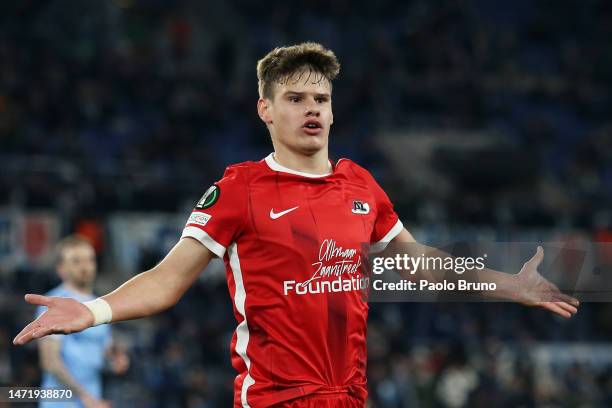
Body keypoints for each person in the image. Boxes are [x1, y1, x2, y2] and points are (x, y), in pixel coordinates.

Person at [13, 43, 578, 408]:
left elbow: (420, 262)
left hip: (351, 396)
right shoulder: (238, 189)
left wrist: (511, 286)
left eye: (321, 98)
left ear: (332, 111)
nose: (312, 108)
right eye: (295, 97)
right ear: (266, 109)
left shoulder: (360, 184)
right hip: (275, 399)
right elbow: (168, 279)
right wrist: (91, 310)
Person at [36, 235, 129, 408]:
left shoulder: (100, 304)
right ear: (61, 269)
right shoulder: (52, 304)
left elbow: (103, 351)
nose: (85, 266)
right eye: (76, 261)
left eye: (89, 260)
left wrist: (116, 360)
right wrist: (86, 397)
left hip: (92, 398)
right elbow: (50, 361)